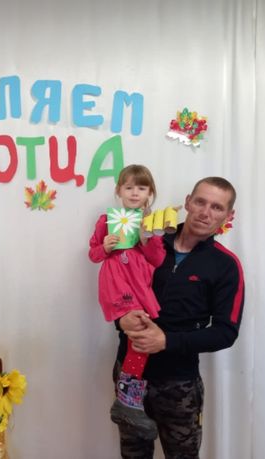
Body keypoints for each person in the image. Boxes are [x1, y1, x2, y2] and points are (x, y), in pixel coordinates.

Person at [115, 176, 245, 459]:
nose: (205, 212)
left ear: (228, 215)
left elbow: (226, 331)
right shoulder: (147, 243)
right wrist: (120, 320)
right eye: (200, 202)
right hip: (130, 373)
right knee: (132, 455)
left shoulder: (225, 265)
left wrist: (167, 341)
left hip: (178, 385)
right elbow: (118, 291)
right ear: (188, 202)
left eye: (217, 207)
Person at [89, 165, 166, 440]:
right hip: (117, 282)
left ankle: (127, 400)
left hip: (140, 283)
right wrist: (105, 247)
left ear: (150, 193)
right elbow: (93, 254)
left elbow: (158, 260)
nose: (135, 193)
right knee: (138, 329)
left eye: (141, 188)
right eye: (129, 187)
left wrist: (148, 238)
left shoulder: (150, 221)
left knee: (140, 334)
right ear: (119, 190)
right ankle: (128, 401)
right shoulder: (106, 220)